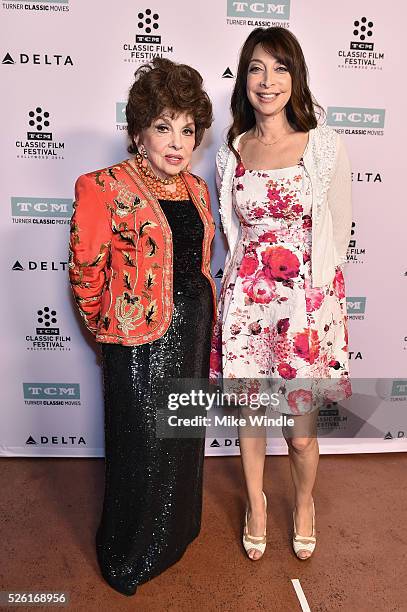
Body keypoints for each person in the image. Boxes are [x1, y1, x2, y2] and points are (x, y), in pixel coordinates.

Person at [68, 58, 216, 595]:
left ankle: (177, 533)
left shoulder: (198, 189)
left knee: (181, 440)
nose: (176, 142)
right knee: (140, 448)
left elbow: (196, 264)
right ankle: (130, 552)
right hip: (137, 340)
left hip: (193, 332)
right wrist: (108, 331)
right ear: (138, 131)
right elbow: (86, 273)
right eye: (163, 127)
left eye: (187, 130)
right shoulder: (101, 186)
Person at [210, 27, 352, 562]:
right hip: (248, 300)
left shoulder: (324, 145)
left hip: (302, 306)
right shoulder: (232, 150)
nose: (267, 82)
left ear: (297, 78)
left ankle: (305, 504)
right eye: (256, 68)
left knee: (297, 432)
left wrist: (319, 306)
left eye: (280, 68)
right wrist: (240, 287)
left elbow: (338, 231)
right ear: (244, 79)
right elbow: (233, 229)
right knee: (251, 419)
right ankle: (255, 504)